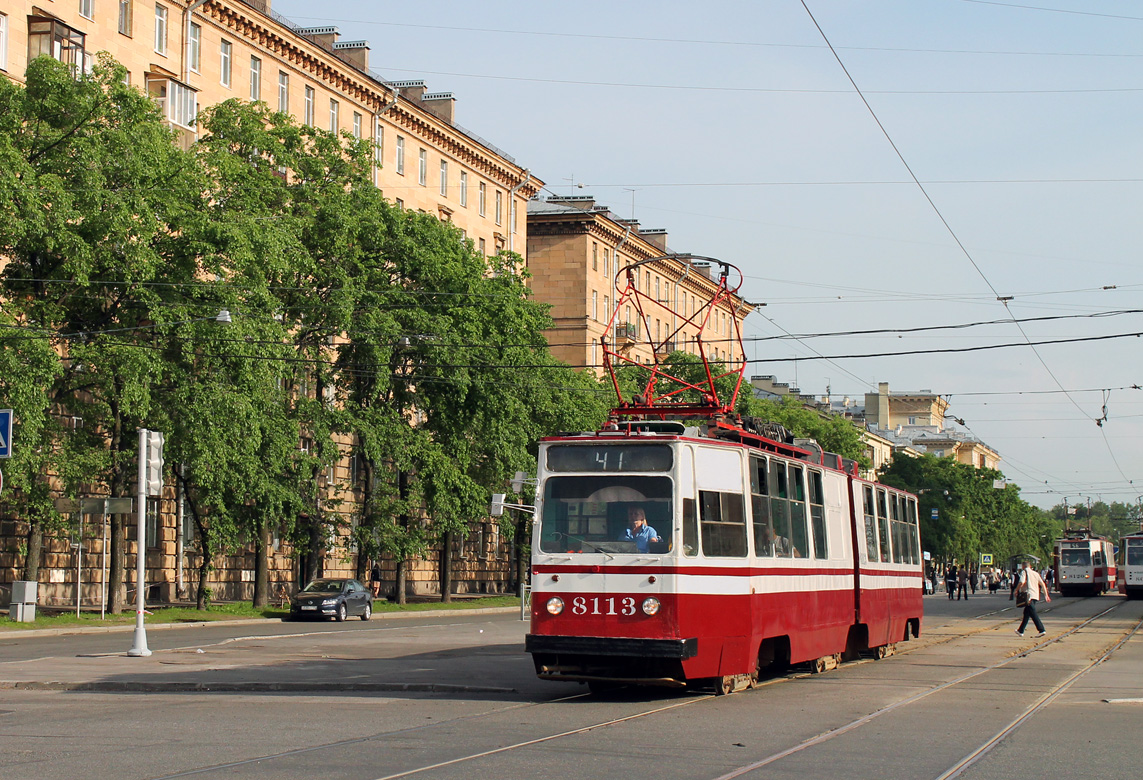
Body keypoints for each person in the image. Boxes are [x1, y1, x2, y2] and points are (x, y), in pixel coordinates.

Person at [1014, 560, 1050, 637]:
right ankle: (1021, 630)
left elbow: (1021, 582)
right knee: (1027, 613)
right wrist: (1046, 595)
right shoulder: (1036, 573)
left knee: (1033, 612)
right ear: (1030, 566)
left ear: (1023, 566)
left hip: (1028, 596)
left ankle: (1041, 630)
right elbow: (1043, 584)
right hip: (1035, 595)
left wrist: (1016, 590)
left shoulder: (1024, 572)